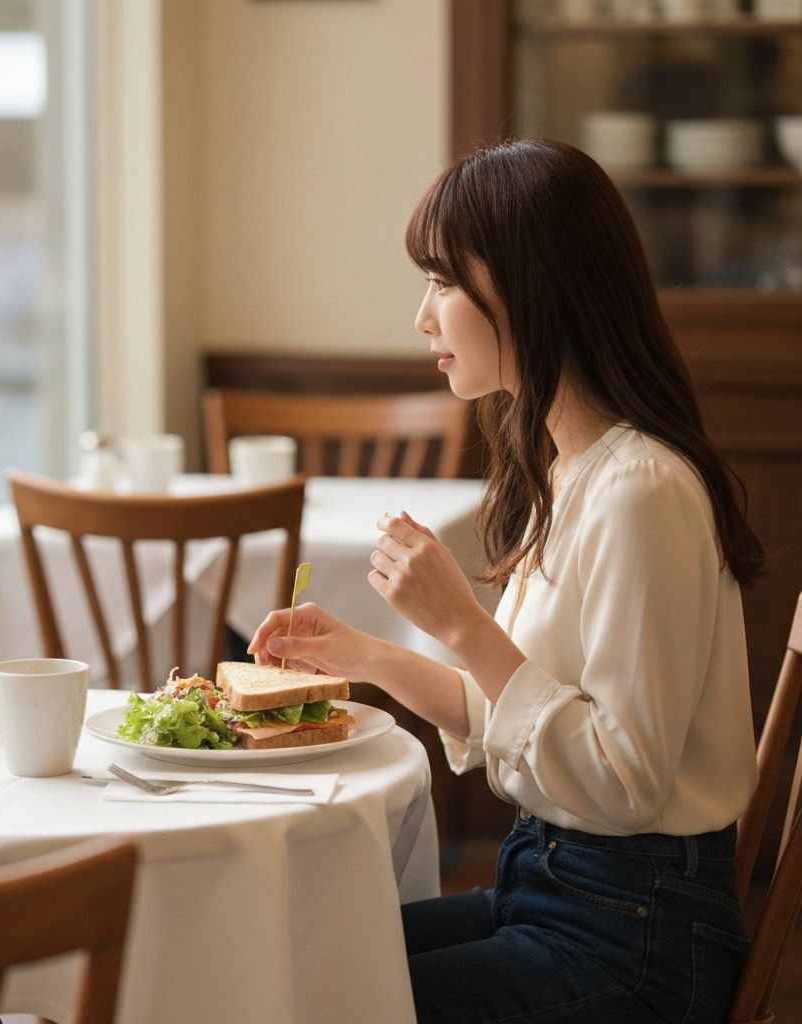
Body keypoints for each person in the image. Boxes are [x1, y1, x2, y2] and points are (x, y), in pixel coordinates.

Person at [247, 138, 764, 1024]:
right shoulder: (568, 472)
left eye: (444, 283)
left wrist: (461, 624)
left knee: (307, 995)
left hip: (633, 942)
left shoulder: (641, 490)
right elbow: (515, 713)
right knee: (279, 955)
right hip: (561, 898)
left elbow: (623, 782)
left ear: (532, 286)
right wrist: (362, 653)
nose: (422, 317)